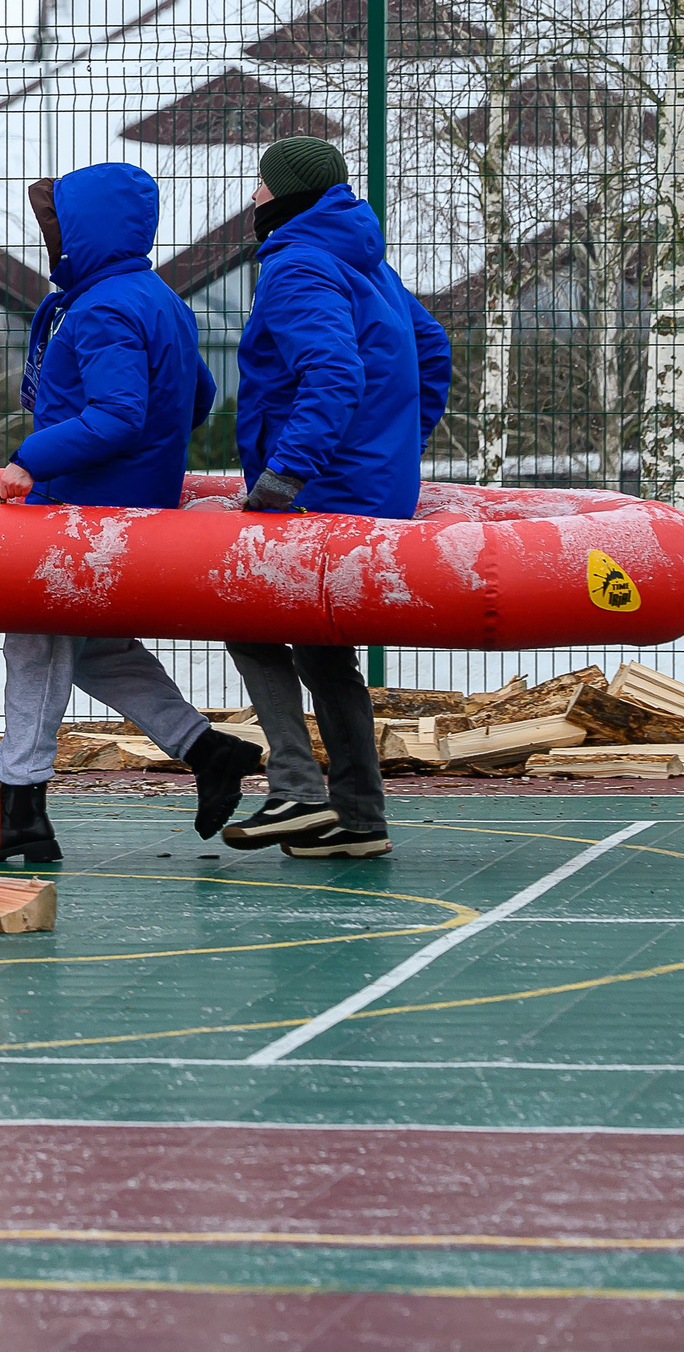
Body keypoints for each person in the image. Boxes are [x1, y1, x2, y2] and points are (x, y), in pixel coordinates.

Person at [0, 165, 266, 862]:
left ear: (86, 230)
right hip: (130, 503)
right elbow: (197, 396)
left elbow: (116, 414)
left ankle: (19, 804)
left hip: (85, 509)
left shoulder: (101, 308)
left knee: (35, 641)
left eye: (62, 225)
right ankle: (208, 750)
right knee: (97, 649)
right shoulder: (158, 299)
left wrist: (35, 455)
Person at [220, 137, 451, 860]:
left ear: (285, 195)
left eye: (260, 187)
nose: (253, 200)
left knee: (243, 615)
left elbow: (330, 373)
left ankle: (297, 791)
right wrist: (398, 450)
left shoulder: (297, 265)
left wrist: (286, 475)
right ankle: (358, 818)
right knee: (324, 654)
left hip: (318, 492)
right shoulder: (363, 258)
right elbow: (433, 347)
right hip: (366, 485)